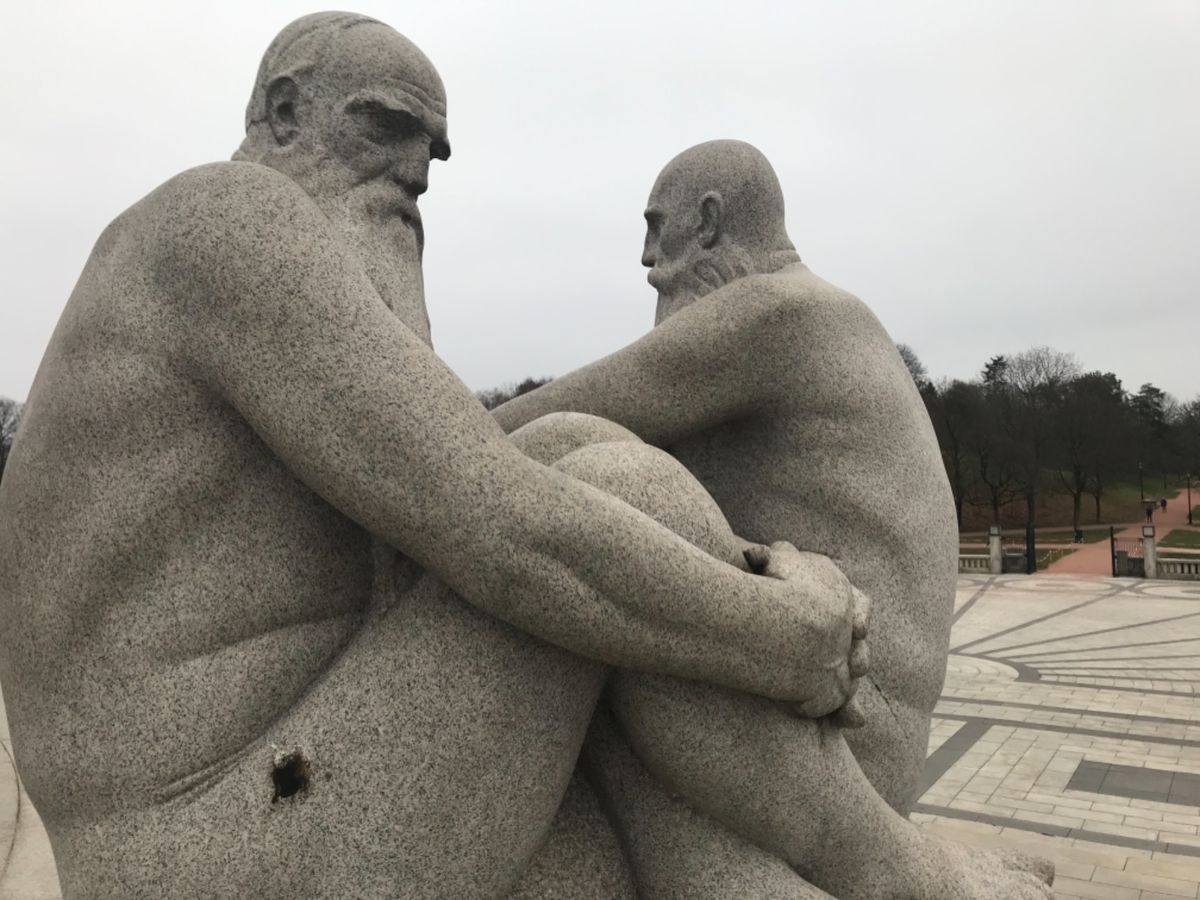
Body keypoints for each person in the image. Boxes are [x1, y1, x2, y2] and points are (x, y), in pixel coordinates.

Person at [0, 16, 863, 898]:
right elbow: (507, 537)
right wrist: (792, 639)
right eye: (383, 127)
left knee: (571, 457)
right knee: (616, 485)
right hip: (205, 846)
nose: (415, 173)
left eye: (433, 155)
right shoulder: (223, 219)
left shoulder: (223, 257)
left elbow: (459, 492)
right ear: (286, 111)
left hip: (256, 788)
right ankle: (896, 868)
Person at [495, 140, 1054, 897]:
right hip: (828, 723)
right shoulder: (819, 317)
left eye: (657, 229)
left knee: (581, 538)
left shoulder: (777, 316)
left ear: (712, 223)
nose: (645, 258)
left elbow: (533, 427)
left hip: (838, 747)